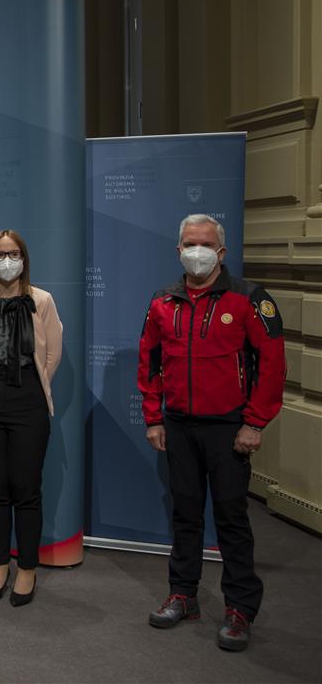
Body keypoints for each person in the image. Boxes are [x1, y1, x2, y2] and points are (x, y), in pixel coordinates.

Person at [139, 213, 285, 652]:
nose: (196, 252)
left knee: (231, 519)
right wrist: (154, 417)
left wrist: (255, 422)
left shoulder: (249, 298)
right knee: (184, 514)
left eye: (205, 244)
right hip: (179, 426)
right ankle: (183, 595)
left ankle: (239, 608)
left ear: (221, 252)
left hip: (229, 428)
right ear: (178, 250)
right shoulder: (163, 301)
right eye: (189, 244)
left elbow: (272, 365)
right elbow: (149, 363)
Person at [0, 229, 62, 607]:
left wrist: (28, 386)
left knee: (27, 489)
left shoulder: (42, 301)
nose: (7, 261)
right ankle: (0, 564)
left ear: (24, 259)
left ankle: (28, 568)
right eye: (0, 254)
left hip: (28, 402)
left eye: (13, 254)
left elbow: (51, 355)